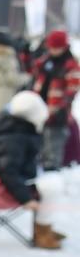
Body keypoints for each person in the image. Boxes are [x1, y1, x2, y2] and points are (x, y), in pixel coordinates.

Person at [0, 91, 67, 248]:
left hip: (19, 178)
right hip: (12, 186)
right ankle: (42, 230)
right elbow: (8, 171)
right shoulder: (14, 137)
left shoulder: (14, 126)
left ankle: (44, 226)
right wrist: (26, 199)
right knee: (53, 186)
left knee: (52, 180)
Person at [31, 30, 79, 170]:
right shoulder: (46, 61)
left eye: (55, 47)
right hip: (40, 108)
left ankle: (52, 171)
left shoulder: (70, 64)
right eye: (50, 47)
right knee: (41, 141)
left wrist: (63, 106)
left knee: (54, 143)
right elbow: (34, 71)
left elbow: (73, 88)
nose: (52, 50)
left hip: (58, 111)